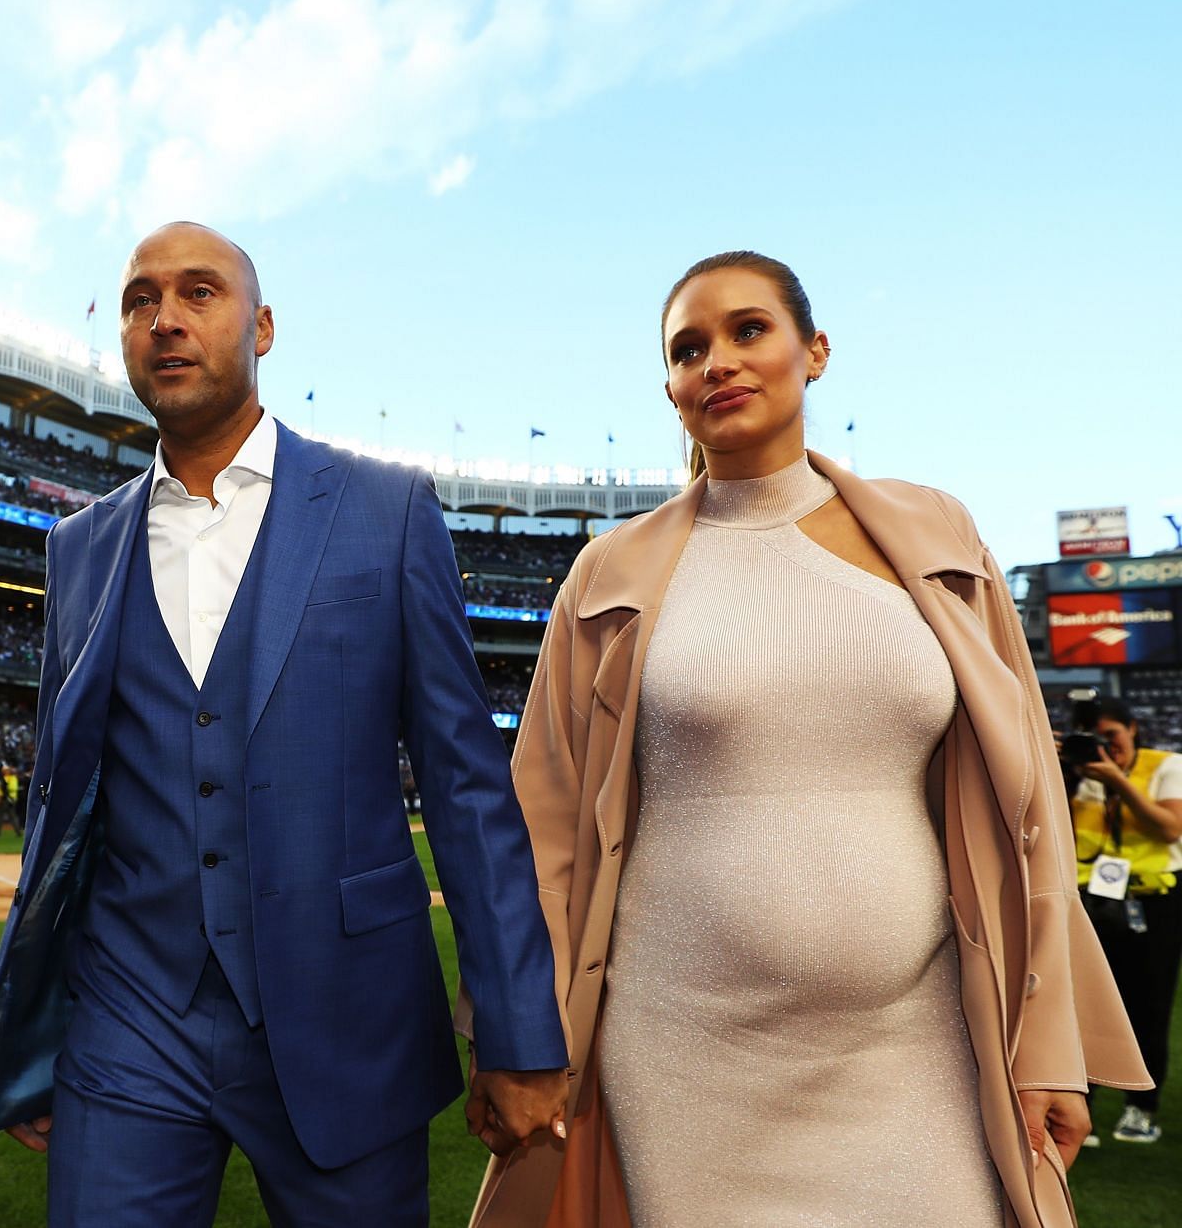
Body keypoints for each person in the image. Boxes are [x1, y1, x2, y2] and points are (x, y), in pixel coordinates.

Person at [468, 251, 1148, 1228]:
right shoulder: (607, 574)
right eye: (687, 349)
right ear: (668, 388)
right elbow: (542, 832)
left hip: (919, 1043)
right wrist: (516, 1039)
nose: (717, 361)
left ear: (815, 351)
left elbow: (1029, 807)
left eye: (749, 330)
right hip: (682, 1050)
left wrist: (1048, 1047)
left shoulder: (939, 536)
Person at [0, 222, 568, 1226]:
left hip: (348, 1014)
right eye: (140, 299)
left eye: (199, 293)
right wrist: (33, 1024)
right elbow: (63, 804)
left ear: (264, 327)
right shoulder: (78, 546)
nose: (165, 319)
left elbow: (465, 786)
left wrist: (518, 1030)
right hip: (127, 1017)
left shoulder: (387, 510)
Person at [1067, 697, 1182, 1144]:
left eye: (1111, 735)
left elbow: (1169, 828)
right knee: (1083, 1006)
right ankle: (1084, 1103)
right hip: (1090, 900)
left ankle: (1141, 1108)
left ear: (1133, 728)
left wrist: (1120, 782)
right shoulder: (1078, 776)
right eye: (1092, 738)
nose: (1104, 747)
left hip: (1152, 902)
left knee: (1149, 1006)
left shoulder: (1166, 766)